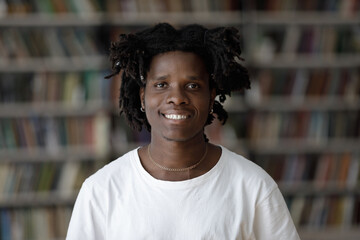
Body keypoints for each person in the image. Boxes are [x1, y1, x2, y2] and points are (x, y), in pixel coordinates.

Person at [66, 23, 300, 240]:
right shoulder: (101, 190)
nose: (177, 98)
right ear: (142, 97)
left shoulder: (253, 186)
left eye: (192, 86)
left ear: (211, 97)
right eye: (161, 85)